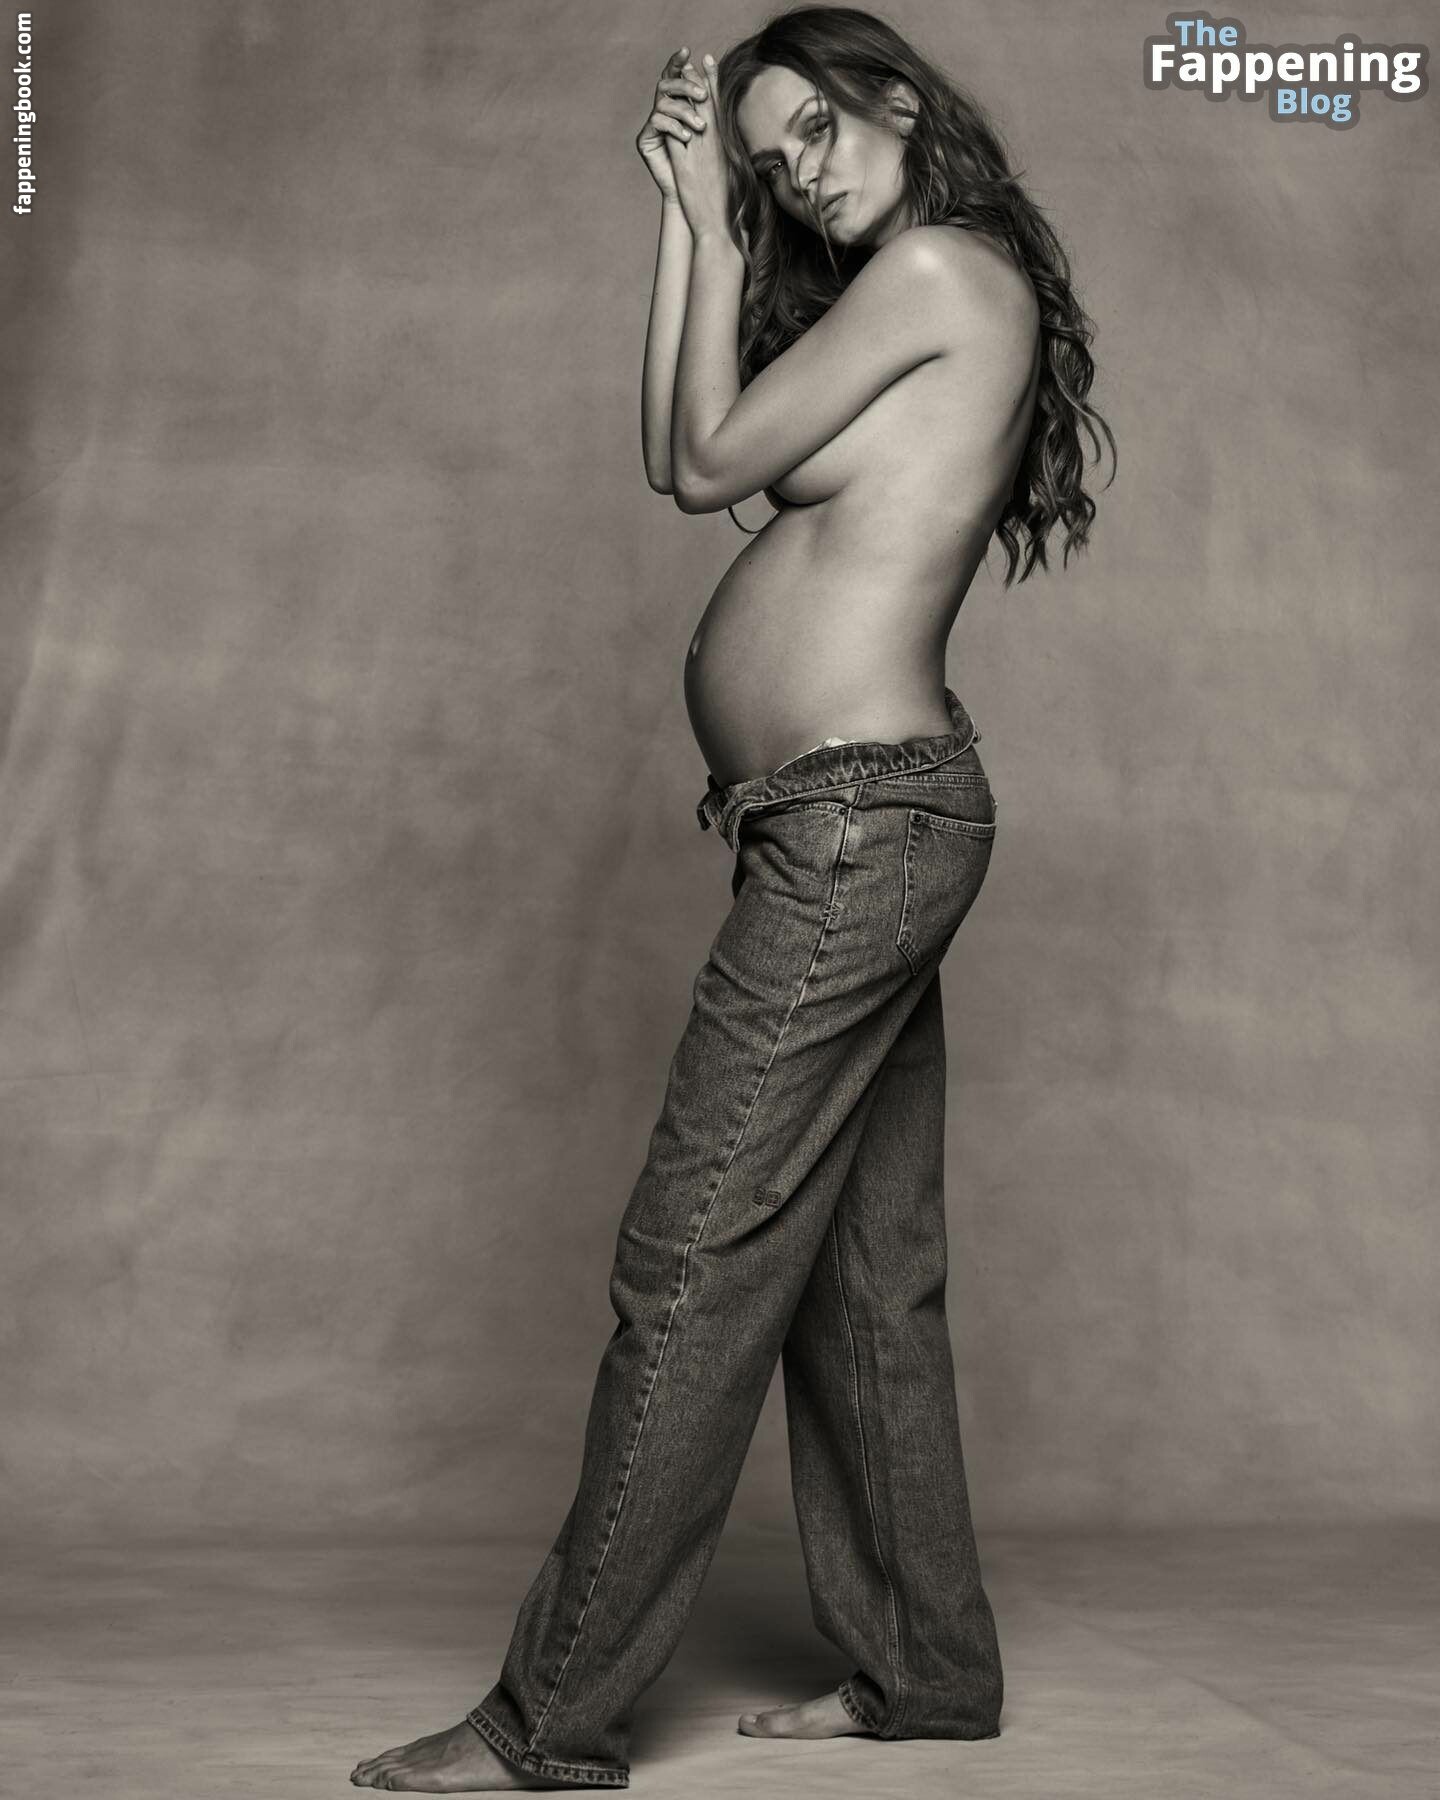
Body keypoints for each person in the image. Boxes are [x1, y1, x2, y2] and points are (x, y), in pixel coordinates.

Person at [351, 5, 1114, 1790]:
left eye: (820, 132)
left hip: (860, 826)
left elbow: (706, 461)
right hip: (847, 824)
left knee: (689, 1262)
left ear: (897, 98)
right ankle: (925, 1671)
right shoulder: (910, 287)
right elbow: (672, 453)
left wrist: (709, 213)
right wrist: (693, 224)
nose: (806, 179)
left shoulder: (936, 266)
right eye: (776, 164)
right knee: (865, 1280)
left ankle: (549, 1723)